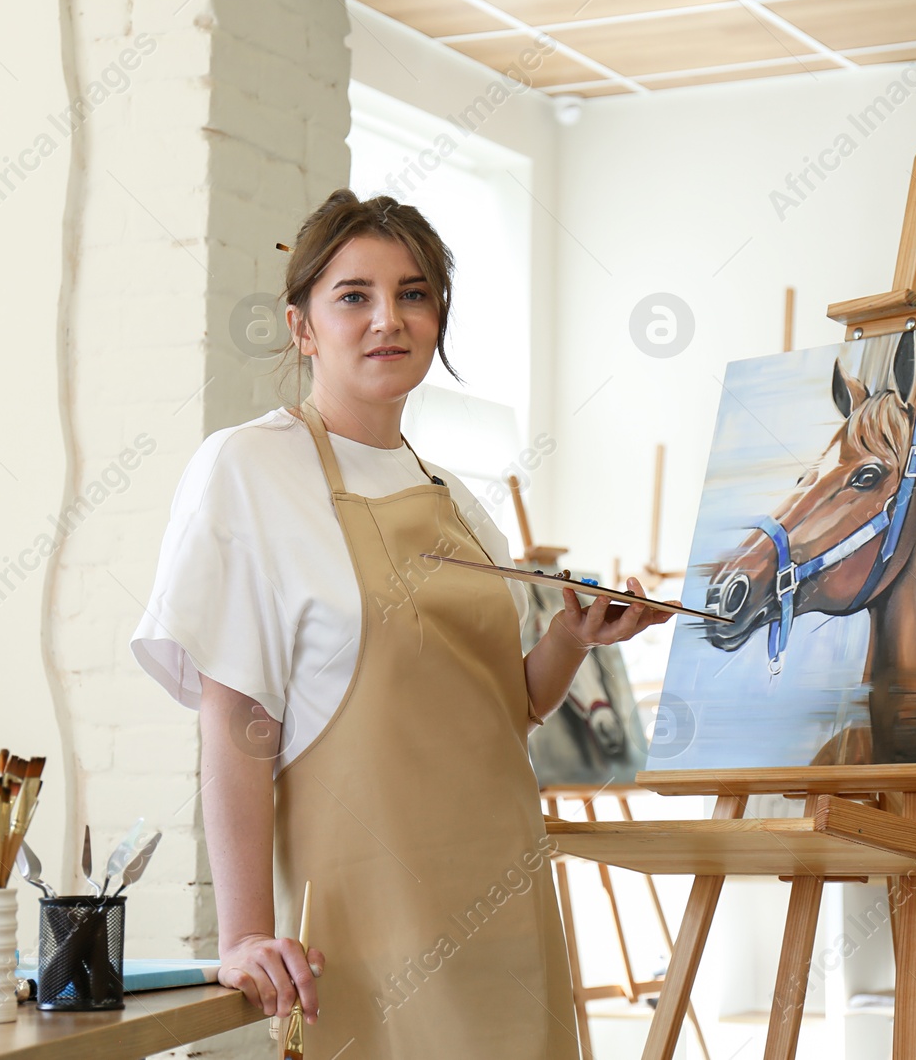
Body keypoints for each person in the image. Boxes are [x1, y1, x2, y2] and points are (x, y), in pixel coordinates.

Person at [130, 190, 673, 1059]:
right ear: (302, 324)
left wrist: (573, 638)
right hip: (367, 933)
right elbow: (236, 722)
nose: (389, 318)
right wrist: (243, 936)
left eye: (414, 294)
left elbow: (507, 708)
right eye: (354, 296)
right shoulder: (250, 469)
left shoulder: (455, 498)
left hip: (504, 905)